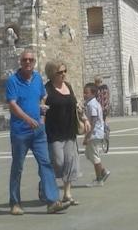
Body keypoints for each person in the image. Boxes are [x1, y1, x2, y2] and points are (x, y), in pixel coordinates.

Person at [6, 49, 67, 216]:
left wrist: (41, 118)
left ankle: (53, 201)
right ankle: (15, 203)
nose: (27, 62)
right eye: (25, 60)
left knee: (46, 164)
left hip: (38, 132)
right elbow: (12, 105)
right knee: (18, 167)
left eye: (30, 60)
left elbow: (42, 98)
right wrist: (27, 119)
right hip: (20, 132)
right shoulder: (12, 81)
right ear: (20, 61)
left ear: (34, 62)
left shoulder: (38, 78)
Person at [44, 59, 89, 206]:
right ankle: (44, 182)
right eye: (59, 72)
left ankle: (67, 193)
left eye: (64, 71)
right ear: (52, 74)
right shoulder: (47, 89)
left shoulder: (68, 86)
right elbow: (41, 108)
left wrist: (84, 118)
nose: (63, 74)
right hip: (54, 131)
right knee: (58, 162)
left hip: (69, 130)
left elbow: (76, 105)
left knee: (70, 161)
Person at [83, 82, 110, 185]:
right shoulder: (91, 103)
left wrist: (88, 136)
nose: (84, 95)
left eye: (86, 93)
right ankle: (103, 171)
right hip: (96, 133)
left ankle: (99, 179)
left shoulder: (92, 104)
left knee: (94, 156)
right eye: (84, 93)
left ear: (93, 94)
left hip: (94, 134)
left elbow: (93, 121)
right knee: (89, 154)